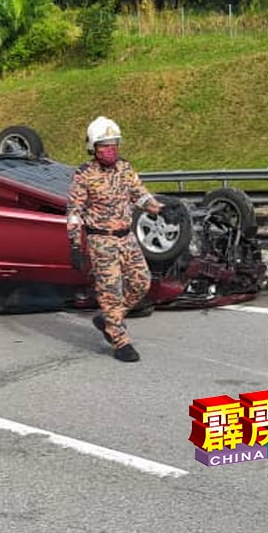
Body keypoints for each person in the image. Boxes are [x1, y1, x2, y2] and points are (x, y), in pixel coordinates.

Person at [66, 116, 167, 363]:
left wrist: (160, 209)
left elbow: (140, 195)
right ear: (93, 148)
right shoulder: (84, 174)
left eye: (114, 145)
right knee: (110, 291)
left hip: (127, 237)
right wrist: (75, 245)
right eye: (104, 146)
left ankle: (110, 318)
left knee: (142, 282)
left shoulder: (125, 168)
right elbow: (74, 211)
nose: (111, 150)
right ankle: (120, 340)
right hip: (102, 241)